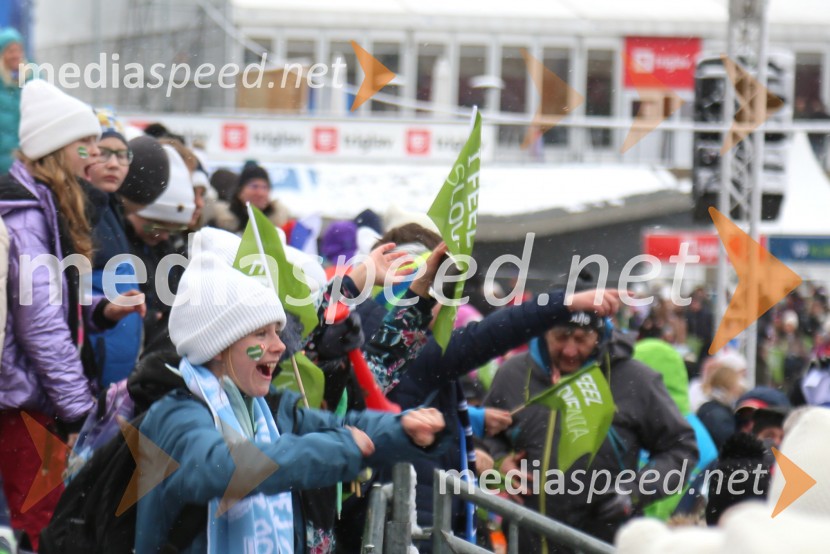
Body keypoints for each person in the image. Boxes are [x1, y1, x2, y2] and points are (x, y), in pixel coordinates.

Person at [136, 250, 446, 553]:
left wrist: (404, 427)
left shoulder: (269, 412)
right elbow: (221, 468)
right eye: (261, 334)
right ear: (219, 346)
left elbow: (347, 423)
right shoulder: (176, 413)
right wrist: (339, 449)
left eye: (277, 332)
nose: (278, 346)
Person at [0, 80, 145, 550]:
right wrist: (78, 408)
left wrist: (100, 311)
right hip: (25, 404)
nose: (94, 154)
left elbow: (51, 299)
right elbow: (39, 323)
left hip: (31, 399)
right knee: (46, 525)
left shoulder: (42, 204)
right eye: (83, 145)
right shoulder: (27, 214)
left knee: (46, 520)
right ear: (54, 150)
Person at [482, 306, 698, 552]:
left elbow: (682, 450)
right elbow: (483, 437)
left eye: (581, 339)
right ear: (544, 332)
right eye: (561, 337)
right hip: (529, 540)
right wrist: (498, 463)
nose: (570, 349)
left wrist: (636, 491)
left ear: (600, 335)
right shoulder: (514, 375)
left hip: (605, 539)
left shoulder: (636, 379)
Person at [87, 112, 145, 387]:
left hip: (112, 376)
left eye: (122, 155)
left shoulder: (111, 207)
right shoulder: (74, 211)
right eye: (105, 153)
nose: (114, 164)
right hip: (88, 373)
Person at [213, 163, 290, 233]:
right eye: (254, 186)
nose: (260, 193)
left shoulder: (282, 224)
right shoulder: (220, 221)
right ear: (240, 191)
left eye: (265, 187)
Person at [0, 28, 31, 174]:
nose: (16, 55)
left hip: (27, 158)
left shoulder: (33, 78)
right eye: (10, 51)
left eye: (19, 50)